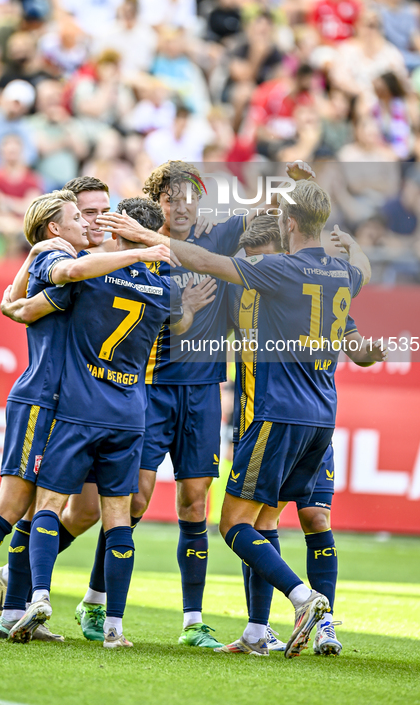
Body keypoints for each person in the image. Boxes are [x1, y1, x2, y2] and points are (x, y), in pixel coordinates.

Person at [116, 175, 376, 658]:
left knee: (236, 524)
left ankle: (306, 602)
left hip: (277, 417)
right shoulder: (338, 273)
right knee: (267, 521)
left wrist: (155, 239)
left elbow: (208, 260)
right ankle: (259, 631)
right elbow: (360, 270)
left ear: (287, 230)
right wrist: (353, 244)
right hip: (318, 417)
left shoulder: (279, 273)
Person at [0, 189, 171, 639]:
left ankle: (10, 610)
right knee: (18, 503)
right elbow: (15, 307)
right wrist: (35, 257)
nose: (93, 223)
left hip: (73, 404)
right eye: (84, 215)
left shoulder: (92, 272)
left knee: (63, 510)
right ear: (57, 226)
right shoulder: (63, 260)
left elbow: (14, 303)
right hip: (44, 397)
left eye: (99, 214)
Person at [0, 197, 182, 647]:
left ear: (118, 225)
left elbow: (24, 308)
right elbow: (183, 318)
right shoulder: (167, 290)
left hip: (80, 410)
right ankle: (115, 627)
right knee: (118, 518)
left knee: (48, 506)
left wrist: (16, 294)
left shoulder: (89, 272)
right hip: (129, 413)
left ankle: (37, 596)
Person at [91, 161, 260, 649]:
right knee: (135, 500)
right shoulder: (136, 248)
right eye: (171, 197)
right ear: (156, 202)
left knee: (194, 503)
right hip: (150, 390)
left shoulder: (220, 238)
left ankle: (192, 621)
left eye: (190, 196)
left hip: (205, 390)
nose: (181, 205)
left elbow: (271, 212)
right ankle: (96, 601)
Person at [224, 213, 385, 656]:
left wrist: (369, 351)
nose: (259, 271)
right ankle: (259, 630)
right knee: (262, 521)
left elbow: (357, 343)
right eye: (252, 262)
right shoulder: (237, 290)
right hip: (262, 419)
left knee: (315, 518)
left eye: (265, 261)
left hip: (307, 421)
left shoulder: (305, 290)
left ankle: (324, 622)